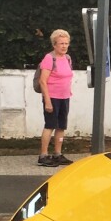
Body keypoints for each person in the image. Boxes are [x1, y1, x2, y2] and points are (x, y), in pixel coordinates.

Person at [38, 29, 74, 166]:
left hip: (64, 97)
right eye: (61, 43)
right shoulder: (49, 58)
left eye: (66, 43)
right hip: (52, 97)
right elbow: (42, 81)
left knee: (61, 126)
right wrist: (47, 101)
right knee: (50, 125)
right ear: (54, 45)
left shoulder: (67, 58)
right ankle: (43, 155)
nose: (64, 46)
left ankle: (57, 154)